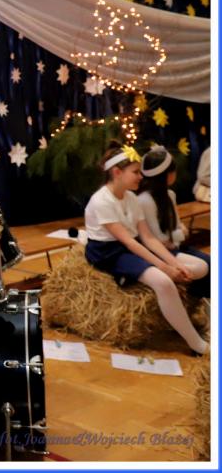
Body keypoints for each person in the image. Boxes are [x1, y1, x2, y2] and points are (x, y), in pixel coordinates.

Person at [84, 143, 208, 355]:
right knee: (163, 281)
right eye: (135, 172)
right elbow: (128, 242)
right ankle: (196, 343)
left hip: (131, 245)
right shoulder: (101, 201)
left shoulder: (131, 198)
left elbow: (147, 238)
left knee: (201, 267)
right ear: (117, 172)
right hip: (109, 252)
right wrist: (164, 268)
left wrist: (174, 264)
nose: (141, 177)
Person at [137, 145, 211, 299]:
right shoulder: (144, 200)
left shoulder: (170, 194)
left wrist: (178, 233)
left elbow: (177, 226)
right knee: (204, 266)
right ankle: (193, 299)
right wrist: (180, 233)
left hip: (175, 246)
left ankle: (199, 302)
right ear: (166, 174)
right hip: (161, 253)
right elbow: (160, 240)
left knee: (211, 262)